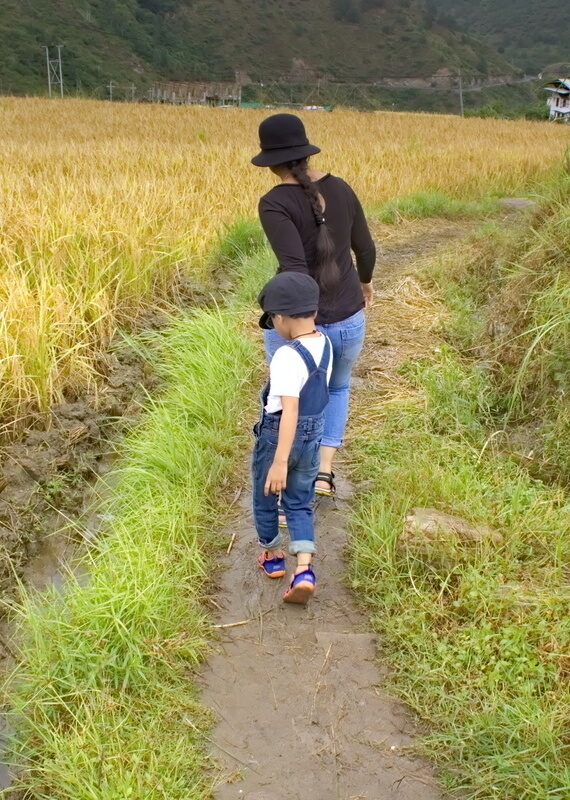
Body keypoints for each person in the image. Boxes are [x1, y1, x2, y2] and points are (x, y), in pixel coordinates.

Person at [251, 112, 376, 499]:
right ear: (304, 153)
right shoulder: (340, 188)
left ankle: (285, 477)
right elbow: (365, 248)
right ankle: (323, 473)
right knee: (337, 388)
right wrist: (365, 284)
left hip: (302, 322)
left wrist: (304, 323)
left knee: (287, 398)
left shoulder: (274, 203)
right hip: (350, 316)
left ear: (271, 163)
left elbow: (294, 269)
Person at [252, 271, 332, 604]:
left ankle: (272, 557)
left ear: (281, 317)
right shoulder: (324, 343)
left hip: (278, 438)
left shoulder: (286, 355)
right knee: (299, 503)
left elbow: (290, 411)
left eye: (273, 320)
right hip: (314, 437)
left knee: (265, 497)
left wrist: (279, 462)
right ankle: (304, 569)